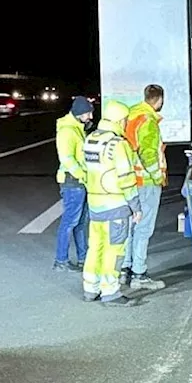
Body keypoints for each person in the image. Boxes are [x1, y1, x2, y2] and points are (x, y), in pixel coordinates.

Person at [82, 100, 142, 305]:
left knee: (95, 247)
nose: (126, 124)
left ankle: (91, 288)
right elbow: (126, 177)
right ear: (119, 120)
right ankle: (111, 291)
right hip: (115, 205)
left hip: (94, 204)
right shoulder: (118, 144)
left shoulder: (90, 139)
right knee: (114, 250)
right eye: (125, 120)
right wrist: (135, 205)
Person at [121, 85, 168, 290]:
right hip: (147, 182)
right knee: (144, 229)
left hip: (131, 180)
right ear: (158, 100)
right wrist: (158, 177)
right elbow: (148, 154)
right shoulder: (148, 121)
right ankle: (139, 274)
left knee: (131, 226)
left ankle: (125, 269)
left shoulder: (131, 116)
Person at [53, 96, 92, 272]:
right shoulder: (68, 131)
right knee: (70, 222)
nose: (90, 117)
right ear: (80, 113)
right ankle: (61, 261)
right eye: (88, 113)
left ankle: (84, 258)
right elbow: (67, 159)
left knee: (81, 222)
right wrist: (83, 175)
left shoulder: (77, 128)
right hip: (72, 181)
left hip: (80, 182)